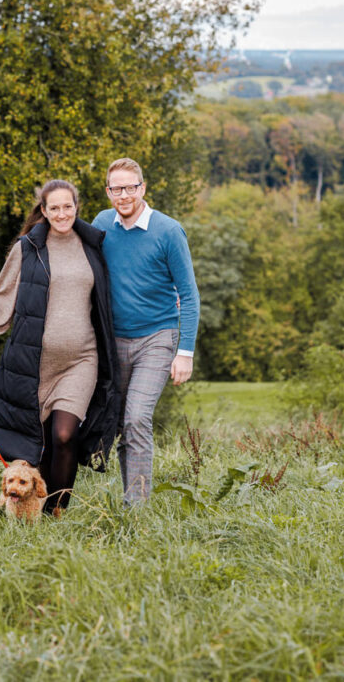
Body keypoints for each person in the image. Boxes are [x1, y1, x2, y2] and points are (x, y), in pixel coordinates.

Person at [0, 180, 120, 515]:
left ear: (77, 206)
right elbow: (2, 297)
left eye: (68, 206)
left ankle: (55, 511)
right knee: (39, 443)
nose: (62, 213)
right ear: (44, 211)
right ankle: (32, 510)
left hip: (81, 359)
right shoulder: (28, 248)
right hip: (34, 364)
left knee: (63, 435)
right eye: (55, 208)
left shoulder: (92, 245)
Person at [91, 158, 200, 504]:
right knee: (121, 422)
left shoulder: (168, 232)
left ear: (143, 188)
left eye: (130, 187)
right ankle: (130, 500)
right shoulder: (102, 224)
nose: (124, 195)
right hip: (113, 341)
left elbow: (189, 295)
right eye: (116, 188)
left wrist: (185, 352)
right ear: (108, 192)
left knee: (137, 417)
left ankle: (136, 511)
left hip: (157, 337)